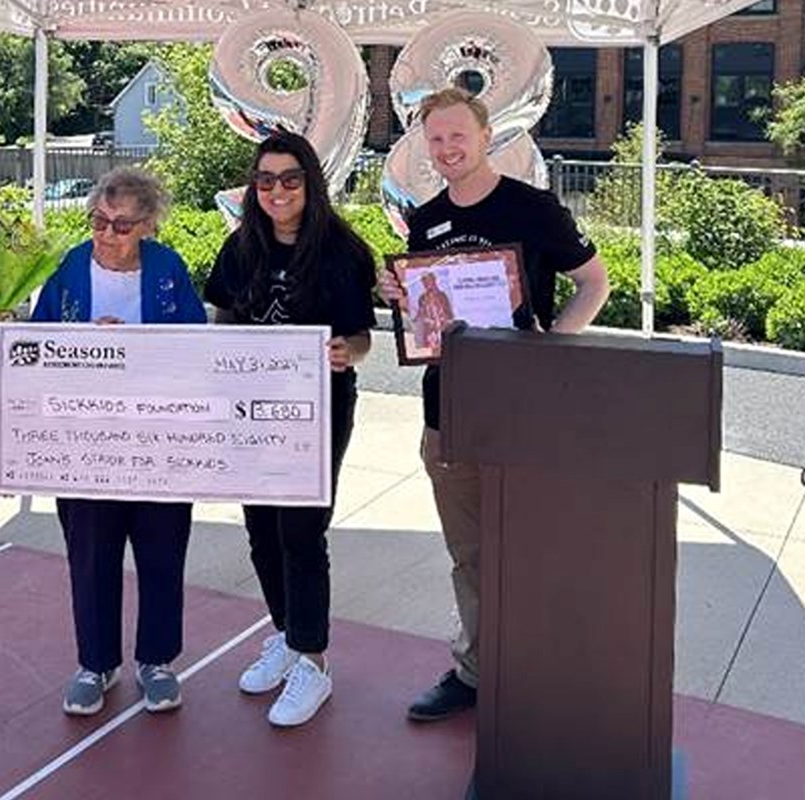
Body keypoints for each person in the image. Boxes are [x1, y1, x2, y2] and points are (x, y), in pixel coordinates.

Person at [379, 87, 611, 722]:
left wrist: (550, 346)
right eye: (436, 139)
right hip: (448, 414)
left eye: (458, 135)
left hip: (523, 412)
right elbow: (428, 316)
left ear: (486, 138)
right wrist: (399, 293)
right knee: (471, 554)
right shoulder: (424, 220)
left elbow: (594, 282)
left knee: (533, 546)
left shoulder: (533, 208)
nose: (447, 148)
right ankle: (476, 672)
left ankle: (544, 672)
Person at [204, 132, 376, 728]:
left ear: (310, 183)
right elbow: (224, 318)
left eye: (290, 179)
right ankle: (286, 633)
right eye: (266, 179)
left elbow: (362, 338)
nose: (277, 190)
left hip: (318, 408)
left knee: (301, 531)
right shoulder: (241, 246)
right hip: (250, 407)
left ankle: (313, 661)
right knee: (260, 528)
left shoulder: (342, 251)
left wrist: (346, 352)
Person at [31, 166, 206, 716]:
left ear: (149, 226)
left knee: (162, 550)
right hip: (85, 441)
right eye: (99, 221)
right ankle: (96, 663)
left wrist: (135, 345)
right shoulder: (68, 267)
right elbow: (37, 343)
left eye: (122, 225)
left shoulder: (168, 268)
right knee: (90, 554)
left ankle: (157, 661)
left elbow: (197, 345)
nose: (107, 234)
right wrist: (87, 344)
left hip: (158, 439)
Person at [413, 271, 455, 351]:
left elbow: (449, 313)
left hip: (442, 329)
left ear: (434, 280)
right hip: (430, 331)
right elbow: (420, 314)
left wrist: (445, 321)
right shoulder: (422, 298)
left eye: (428, 281)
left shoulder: (442, 296)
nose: (426, 284)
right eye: (424, 282)